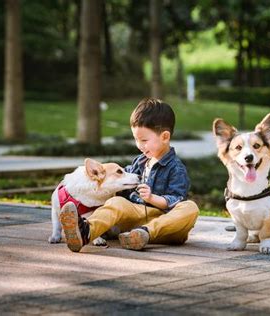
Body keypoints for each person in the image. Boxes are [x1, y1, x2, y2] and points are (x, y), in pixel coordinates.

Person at [59, 97, 199, 252]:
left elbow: (176, 199)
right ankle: (86, 232)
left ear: (165, 137)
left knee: (190, 208)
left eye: (144, 140)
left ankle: (143, 234)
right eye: (136, 140)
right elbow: (119, 181)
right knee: (117, 202)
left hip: (165, 225)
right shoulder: (139, 162)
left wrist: (152, 198)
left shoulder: (176, 169)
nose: (139, 145)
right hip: (135, 219)